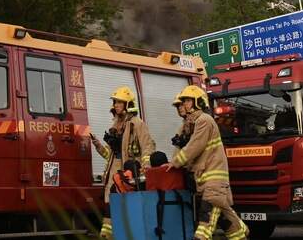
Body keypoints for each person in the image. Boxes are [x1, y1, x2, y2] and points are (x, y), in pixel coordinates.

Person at [164, 85, 246, 240]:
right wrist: (173, 163)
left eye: (187, 100)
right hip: (204, 180)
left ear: (197, 101)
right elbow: (183, 149)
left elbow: (194, 146)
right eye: (182, 102)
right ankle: (241, 232)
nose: (183, 105)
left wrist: (175, 163)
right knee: (225, 219)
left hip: (213, 179)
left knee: (205, 222)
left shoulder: (204, 120)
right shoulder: (189, 124)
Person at [90, 86, 156, 240]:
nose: (116, 105)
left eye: (119, 102)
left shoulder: (137, 123)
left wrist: (144, 167)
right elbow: (110, 155)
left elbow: (148, 146)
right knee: (110, 200)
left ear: (128, 104)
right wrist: (98, 145)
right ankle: (107, 234)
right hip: (115, 167)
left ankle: (118, 233)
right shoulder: (115, 125)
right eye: (115, 102)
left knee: (126, 204)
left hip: (129, 169)